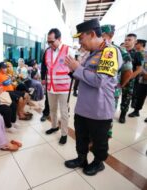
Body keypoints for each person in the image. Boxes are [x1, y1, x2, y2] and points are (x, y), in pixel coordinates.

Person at [64, 19, 122, 176]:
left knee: (99, 143)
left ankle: (98, 163)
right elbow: (84, 75)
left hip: (99, 110)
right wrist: (73, 69)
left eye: (81, 38)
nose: (80, 42)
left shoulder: (109, 52)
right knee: (81, 137)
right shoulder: (91, 54)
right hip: (83, 108)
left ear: (91, 34)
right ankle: (81, 159)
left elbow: (99, 80)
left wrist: (77, 68)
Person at [101, 24, 133, 137]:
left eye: (102, 35)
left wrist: (120, 85)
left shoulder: (120, 51)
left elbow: (128, 72)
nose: (100, 37)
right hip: (98, 91)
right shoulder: (98, 49)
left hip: (111, 92)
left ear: (111, 35)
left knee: (107, 117)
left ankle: (104, 139)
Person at [44, 28, 72, 145]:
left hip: (64, 87)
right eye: (48, 42)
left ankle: (64, 133)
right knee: (52, 109)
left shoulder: (67, 50)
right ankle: (54, 126)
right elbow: (46, 68)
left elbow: (74, 67)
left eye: (52, 41)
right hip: (51, 87)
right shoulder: (48, 51)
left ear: (59, 39)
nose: (50, 44)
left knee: (64, 112)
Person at [119, 33, 144, 123]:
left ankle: (122, 114)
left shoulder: (137, 54)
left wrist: (128, 78)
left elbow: (139, 69)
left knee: (126, 98)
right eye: (126, 40)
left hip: (130, 81)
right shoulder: (120, 51)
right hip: (117, 79)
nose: (127, 42)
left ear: (135, 41)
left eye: (129, 40)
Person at [128, 39, 147, 119]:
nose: (135, 45)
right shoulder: (135, 53)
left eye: (137, 43)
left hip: (144, 77)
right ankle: (136, 111)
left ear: (141, 44)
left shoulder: (145, 54)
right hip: (139, 79)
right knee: (140, 96)